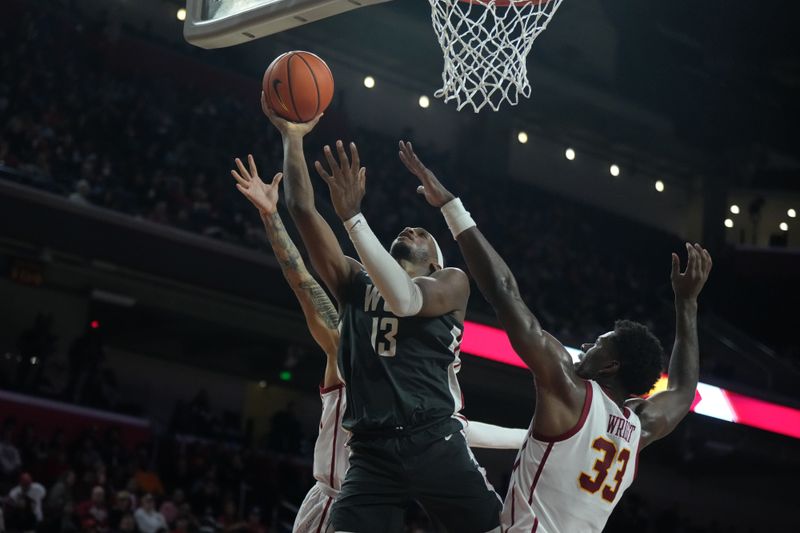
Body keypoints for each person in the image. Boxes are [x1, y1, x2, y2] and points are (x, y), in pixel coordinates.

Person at [398, 141, 713, 533]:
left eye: (598, 343)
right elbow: (684, 390)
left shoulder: (570, 390)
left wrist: (450, 206)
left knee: (430, 458)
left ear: (612, 365)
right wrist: (687, 304)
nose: (585, 345)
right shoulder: (639, 428)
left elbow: (504, 292)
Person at [231, 152, 527, 532]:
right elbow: (304, 237)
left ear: (435, 264)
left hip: (431, 437)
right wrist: (292, 137)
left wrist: (531, 436)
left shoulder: (450, 282)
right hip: (366, 457)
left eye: (423, 234)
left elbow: (405, 301)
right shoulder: (353, 295)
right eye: (406, 232)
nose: (410, 231)